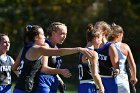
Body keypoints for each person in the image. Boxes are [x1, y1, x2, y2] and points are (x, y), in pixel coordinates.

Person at [12, 25, 94, 93]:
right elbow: (59, 52)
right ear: (36, 37)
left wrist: (23, 78)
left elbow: (14, 68)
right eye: (43, 34)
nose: (44, 37)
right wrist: (78, 49)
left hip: (18, 88)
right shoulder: (38, 49)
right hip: (27, 89)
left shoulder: (25, 48)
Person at [36, 22, 69, 93]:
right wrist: (61, 71)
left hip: (52, 82)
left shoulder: (56, 48)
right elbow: (43, 68)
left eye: (66, 34)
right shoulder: (45, 45)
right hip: (42, 82)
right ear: (53, 33)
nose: (64, 36)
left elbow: (53, 67)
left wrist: (58, 78)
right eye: (62, 34)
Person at [108, 23, 138, 93]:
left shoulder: (105, 46)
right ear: (119, 34)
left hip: (109, 82)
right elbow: (132, 65)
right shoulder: (125, 46)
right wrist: (134, 77)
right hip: (123, 82)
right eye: (122, 35)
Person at [94, 21, 119, 93]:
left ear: (104, 32)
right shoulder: (93, 46)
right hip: (96, 80)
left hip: (108, 80)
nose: (94, 31)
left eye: (97, 28)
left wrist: (116, 71)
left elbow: (116, 67)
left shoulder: (110, 47)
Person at [78, 24, 104, 93]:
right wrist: (101, 88)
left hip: (82, 86)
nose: (101, 42)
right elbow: (95, 74)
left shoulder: (82, 52)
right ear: (95, 38)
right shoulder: (93, 53)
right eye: (100, 39)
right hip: (89, 86)